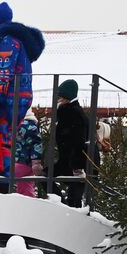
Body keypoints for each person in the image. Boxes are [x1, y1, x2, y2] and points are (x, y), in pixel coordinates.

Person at [0, 2, 46, 184]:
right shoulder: (19, 40)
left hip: (9, 96)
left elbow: (3, 70)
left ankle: (4, 180)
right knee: (8, 137)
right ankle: (4, 178)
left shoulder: (6, 40)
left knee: (4, 137)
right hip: (20, 95)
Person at [52, 79, 90, 208]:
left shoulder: (71, 112)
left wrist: (78, 167)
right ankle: (64, 206)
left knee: (75, 197)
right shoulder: (69, 111)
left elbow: (79, 141)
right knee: (45, 177)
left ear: (66, 98)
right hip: (70, 160)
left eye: (60, 97)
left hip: (77, 162)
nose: (57, 100)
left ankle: (64, 207)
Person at [12, 109, 45, 197]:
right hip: (26, 162)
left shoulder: (18, 124)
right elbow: (37, 144)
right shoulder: (30, 126)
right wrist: (36, 162)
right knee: (26, 184)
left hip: (16, 161)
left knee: (6, 176)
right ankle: (27, 203)